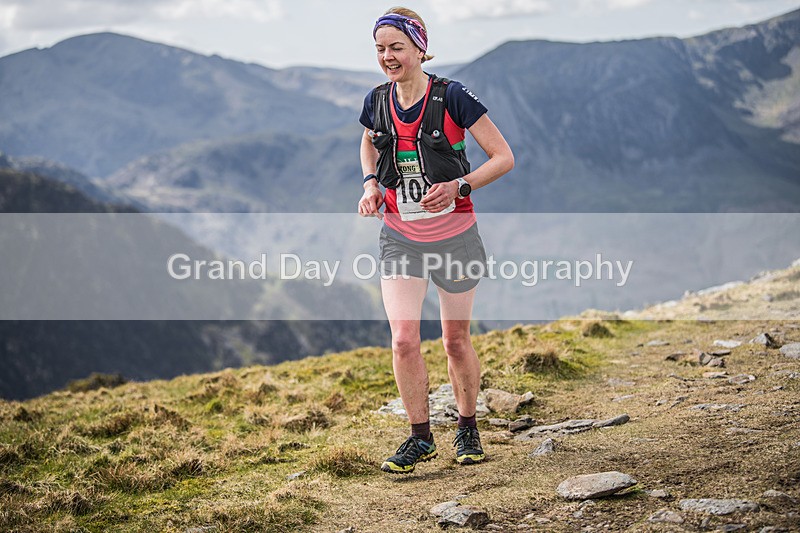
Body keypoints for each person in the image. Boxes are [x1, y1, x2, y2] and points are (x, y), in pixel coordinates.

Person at [358, 7, 514, 474]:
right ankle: (419, 437)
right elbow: (368, 141)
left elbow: (503, 157)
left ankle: (467, 426)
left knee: (455, 340)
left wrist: (459, 186)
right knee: (404, 340)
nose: (388, 56)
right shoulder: (378, 100)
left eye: (396, 47)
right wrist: (370, 184)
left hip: (455, 237)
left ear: (420, 48)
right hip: (400, 237)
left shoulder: (454, 97)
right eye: (381, 48)